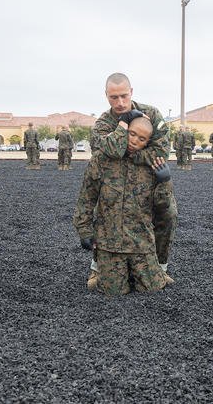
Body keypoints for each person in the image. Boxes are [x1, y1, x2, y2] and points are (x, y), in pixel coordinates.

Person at [88, 72, 177, 288]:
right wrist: (125, 122)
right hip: (114, 182)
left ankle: (160, 267)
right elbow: (107, 149)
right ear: (106, 96)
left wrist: (130, 154)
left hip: (147, 179)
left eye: (124, 96)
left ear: (131, 92)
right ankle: (96, 268)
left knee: (168, 215)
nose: (120, 102)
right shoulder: (103, 123)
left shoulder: (152, 114)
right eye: (113, 97)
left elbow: (161, 151)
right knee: (104, 216)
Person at [73, 116, 169, 295]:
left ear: (148, 142)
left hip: (141, 242)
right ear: (124, 131)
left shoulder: (151, 164)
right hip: (110, 243)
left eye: (142, 139)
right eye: (132, 134)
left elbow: (162, 207)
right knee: (113, 292)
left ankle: (141, 272)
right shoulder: (102, 159)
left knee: (153, 290)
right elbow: (87, 197)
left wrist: (164, 182)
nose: (134, 140)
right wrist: (84, 230)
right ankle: (101, 273)